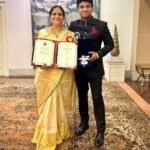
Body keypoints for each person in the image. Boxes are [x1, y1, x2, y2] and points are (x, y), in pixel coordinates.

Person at [69, 0, 114, 148]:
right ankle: (84, 123)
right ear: (78, 9)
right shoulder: (73, 25)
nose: (85, 9)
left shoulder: (101, 25)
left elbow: (110, 44)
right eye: (82, 7)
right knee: (82, 97)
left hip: (95, 69)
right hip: (79, 69)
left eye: (87, 6)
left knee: (97, 99)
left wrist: (98, 54)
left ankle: (100, 130)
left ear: (91, 8)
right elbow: (68, 44)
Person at [31, 5, 76, 150]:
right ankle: (47, 132)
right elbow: (37, 54)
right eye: (54, 14)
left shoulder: (69, 34)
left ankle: (58, 130)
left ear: (63, 17)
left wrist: (71, 63)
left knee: (60, 105)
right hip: (46, 74)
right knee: (47, 105)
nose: (57, 17)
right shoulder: (42, 33)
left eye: (60, 14)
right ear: (50, 16)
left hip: (63, 75)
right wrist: (39, 63)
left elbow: (72, 54)